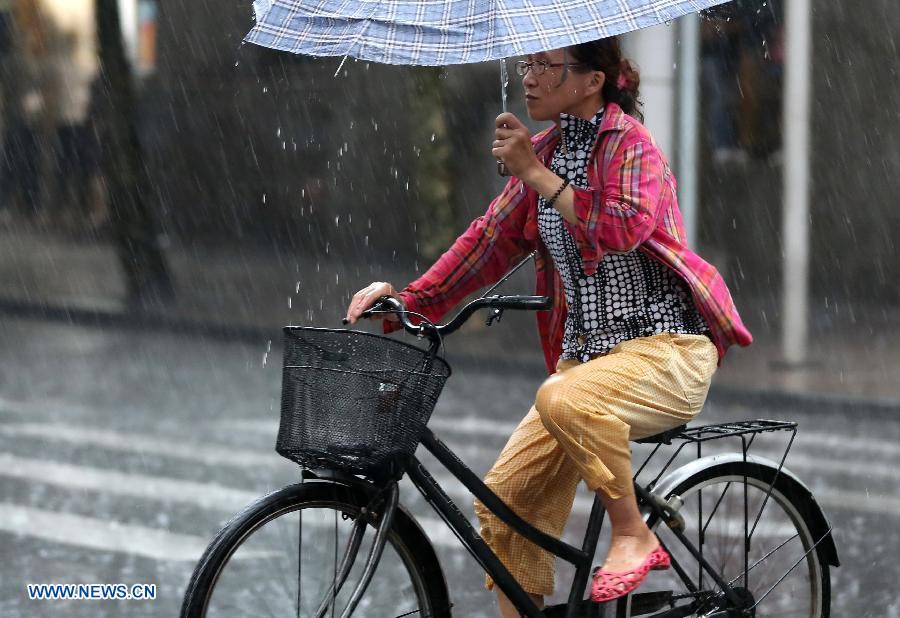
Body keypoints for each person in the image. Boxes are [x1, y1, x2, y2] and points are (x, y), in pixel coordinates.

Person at [346, 37, 752, 616]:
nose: (530, 78)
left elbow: (622, 228)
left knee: (561, 397)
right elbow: (488, 242)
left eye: (545, 66)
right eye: (527, 65)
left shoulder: (632, 147)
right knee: (507, 502)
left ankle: (633, 533)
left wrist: (535, 172)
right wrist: (408, 301)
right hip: (585, 368)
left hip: (666, 353)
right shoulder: (547, 152)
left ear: (592, 80)